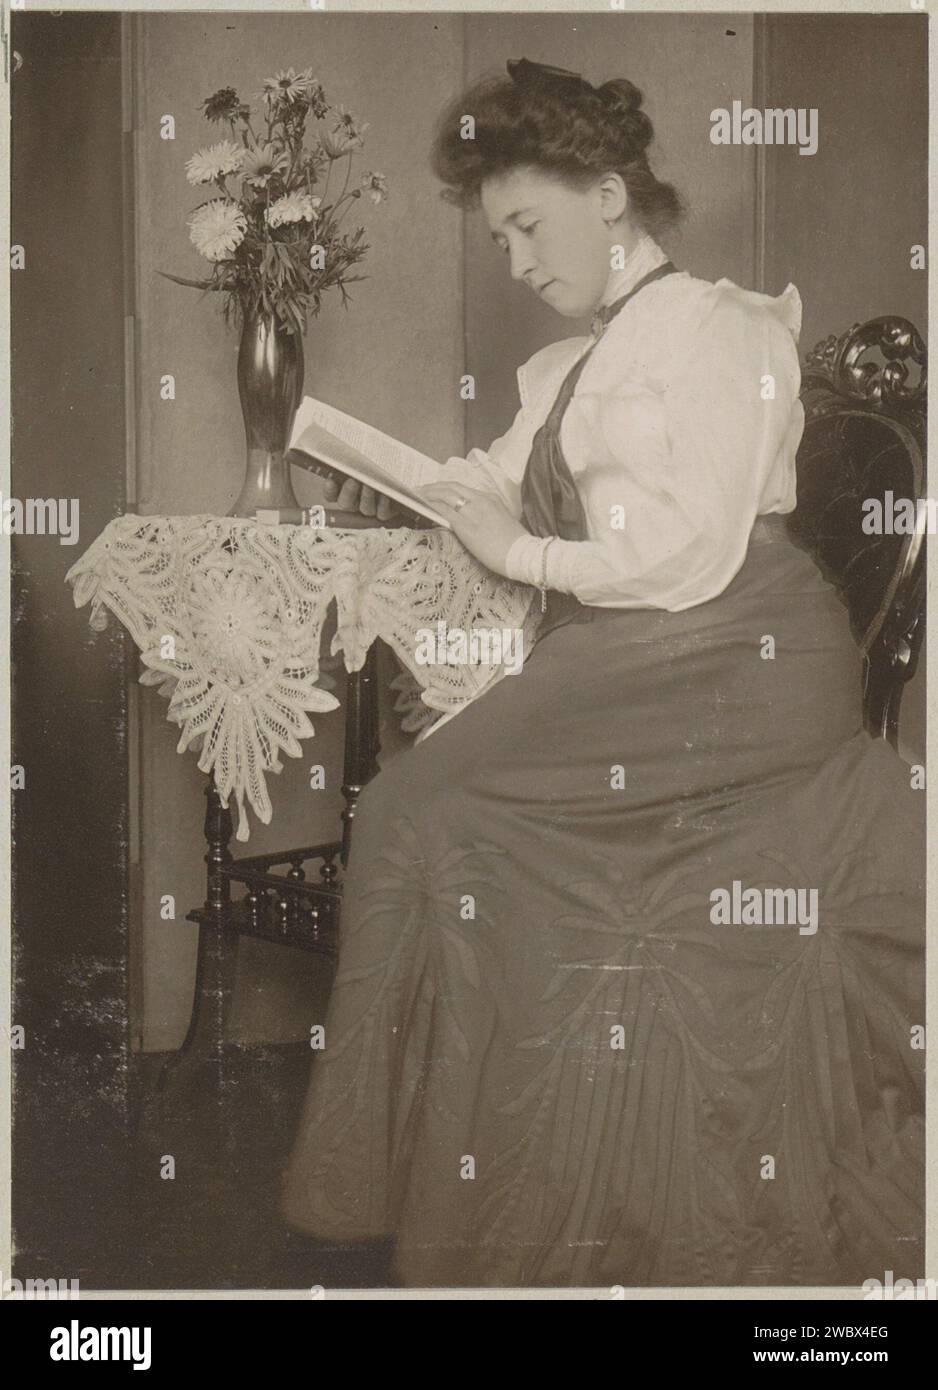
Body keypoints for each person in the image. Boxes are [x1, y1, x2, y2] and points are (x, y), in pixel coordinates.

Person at [280, 60, 924, 1289]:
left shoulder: (724, 330)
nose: (515, 262)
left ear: (611, 193)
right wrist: (404, 486)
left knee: (419, 804)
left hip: (740, 649)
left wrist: (511, 545)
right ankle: (392, 1188)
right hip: (632, 648)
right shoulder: (567, 371)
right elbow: (485, 481)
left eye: (527, 225)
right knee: (423, 810)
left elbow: (686, 556)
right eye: (499, 235)